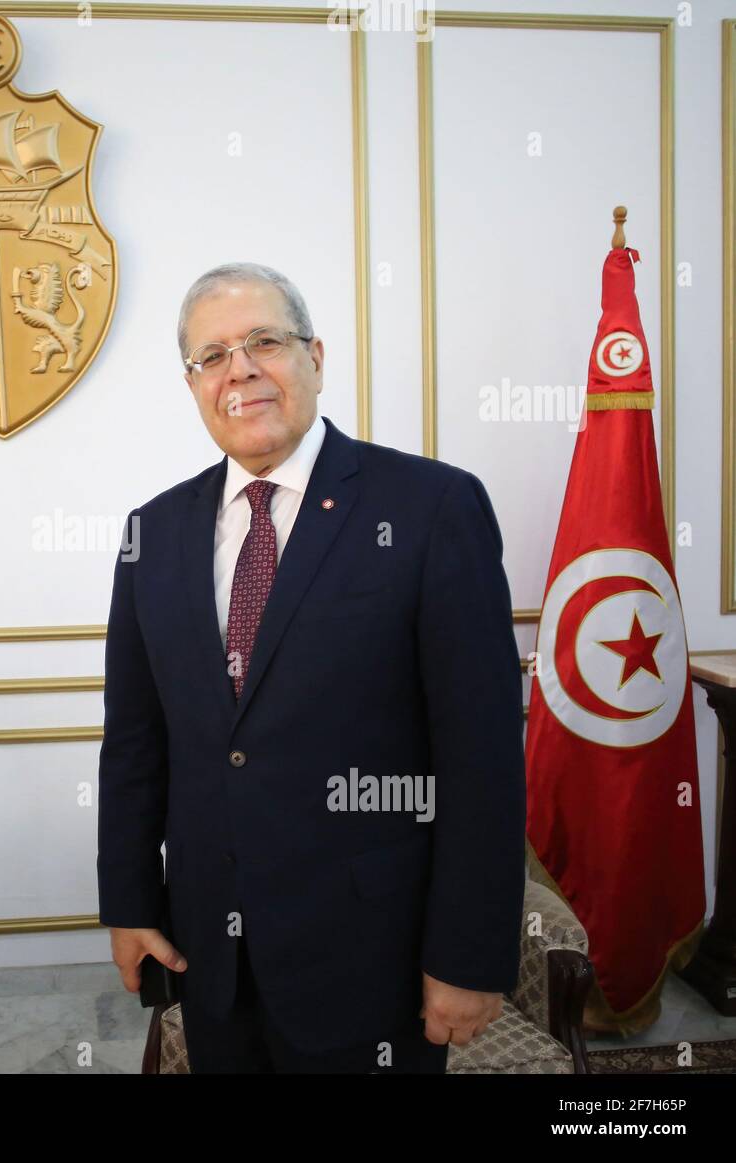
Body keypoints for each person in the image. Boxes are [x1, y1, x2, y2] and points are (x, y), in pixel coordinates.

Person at [96, 262, 526, 1073]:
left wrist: (468, 953)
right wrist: (129, 901)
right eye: (212, 355)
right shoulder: (151, 531)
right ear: (192, 383)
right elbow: (134, 743)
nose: (241, 370)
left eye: (265, 341)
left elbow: (483, 756)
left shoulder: (431, 508)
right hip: (211, 956)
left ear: (316, 358)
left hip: (374, 962)